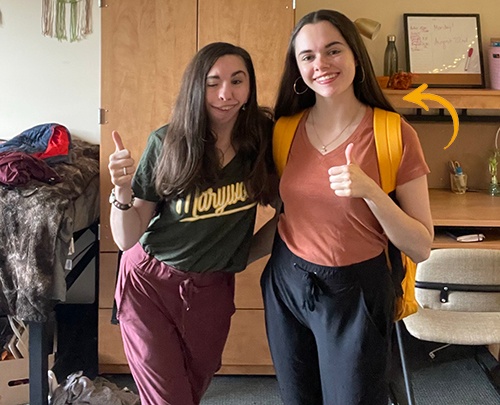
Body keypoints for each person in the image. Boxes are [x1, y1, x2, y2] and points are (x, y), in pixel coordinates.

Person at [260, 9, 434, 405]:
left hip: (356, 291)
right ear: (297, 67)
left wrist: (371, 192)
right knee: (296, 399)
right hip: (287, 283)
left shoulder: (393, 134)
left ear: (355, 55)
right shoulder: (284, 130)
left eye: (333, 50)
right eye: (307, 56)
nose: (321, 64)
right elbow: (284, 212)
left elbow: (421, 246)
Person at [107, 42, 276, 405]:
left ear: (250, 88)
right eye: (213, 82)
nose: (225, 94)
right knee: (171, 400)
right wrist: (122, 190)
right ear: (196, 87)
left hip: (213, 290)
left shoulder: (262, 140)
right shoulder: (167, 142)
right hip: (150, 285)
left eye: (237, 80)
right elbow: (127, 237)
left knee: (191, 390)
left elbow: (288, 212)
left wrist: (239, 255)